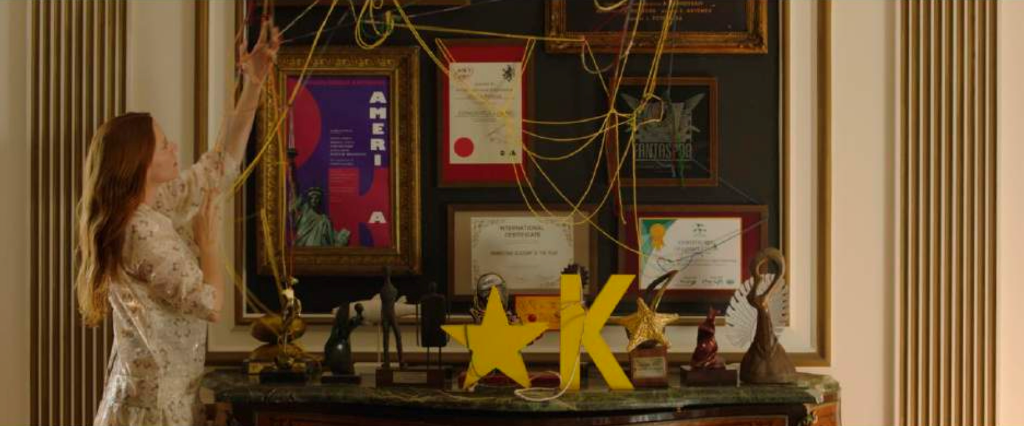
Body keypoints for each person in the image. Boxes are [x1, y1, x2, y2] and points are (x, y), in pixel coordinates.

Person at [75, 20, 280, 426]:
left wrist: (253, 83)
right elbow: (210, 304)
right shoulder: (140, 231)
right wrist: (209, 245)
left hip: (167, 404)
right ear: (139, 164)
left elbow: (220, 163)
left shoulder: (156, 205)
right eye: (164, 145)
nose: (175, 148)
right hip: (152, 414)